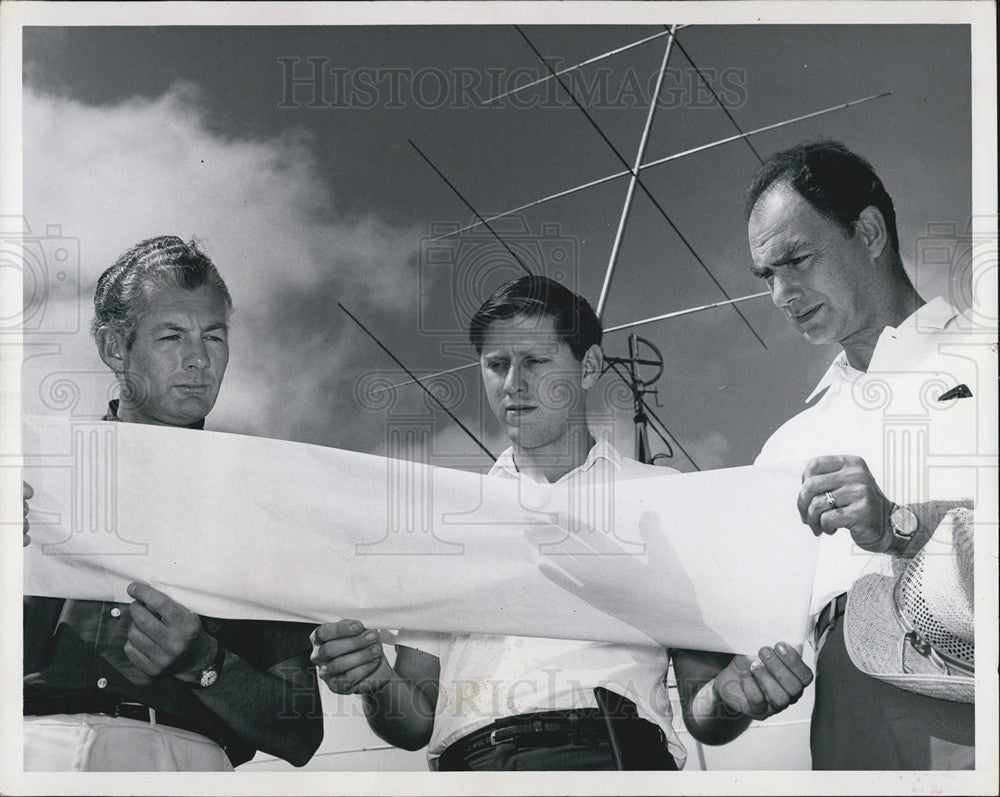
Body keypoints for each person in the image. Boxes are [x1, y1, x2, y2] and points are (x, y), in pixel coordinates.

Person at [310, 276, 813, 770]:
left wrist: (733, 697)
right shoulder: (448, 519)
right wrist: (375, 679)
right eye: (497, 364)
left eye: (535, 361)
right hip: (473, 768)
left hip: (614, 756)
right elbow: (414, 722)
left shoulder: (663, 499)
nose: (513, 384)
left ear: (588, 366)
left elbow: (707, 713)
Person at [22, 236, 323, 771]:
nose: (199, 359)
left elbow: (301, 733)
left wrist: (204, 663)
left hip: (188, 760)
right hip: (32, 748)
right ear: (116, 347)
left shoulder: (263, 508)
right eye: (171, 336)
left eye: (214, 336)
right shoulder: (31, 477)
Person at [745, 140, 989, 769]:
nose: (781, 293)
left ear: (871, 231)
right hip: (842, 726)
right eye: (767, 275)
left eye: (796, 260)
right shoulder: (783, 445)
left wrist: (902, 526)